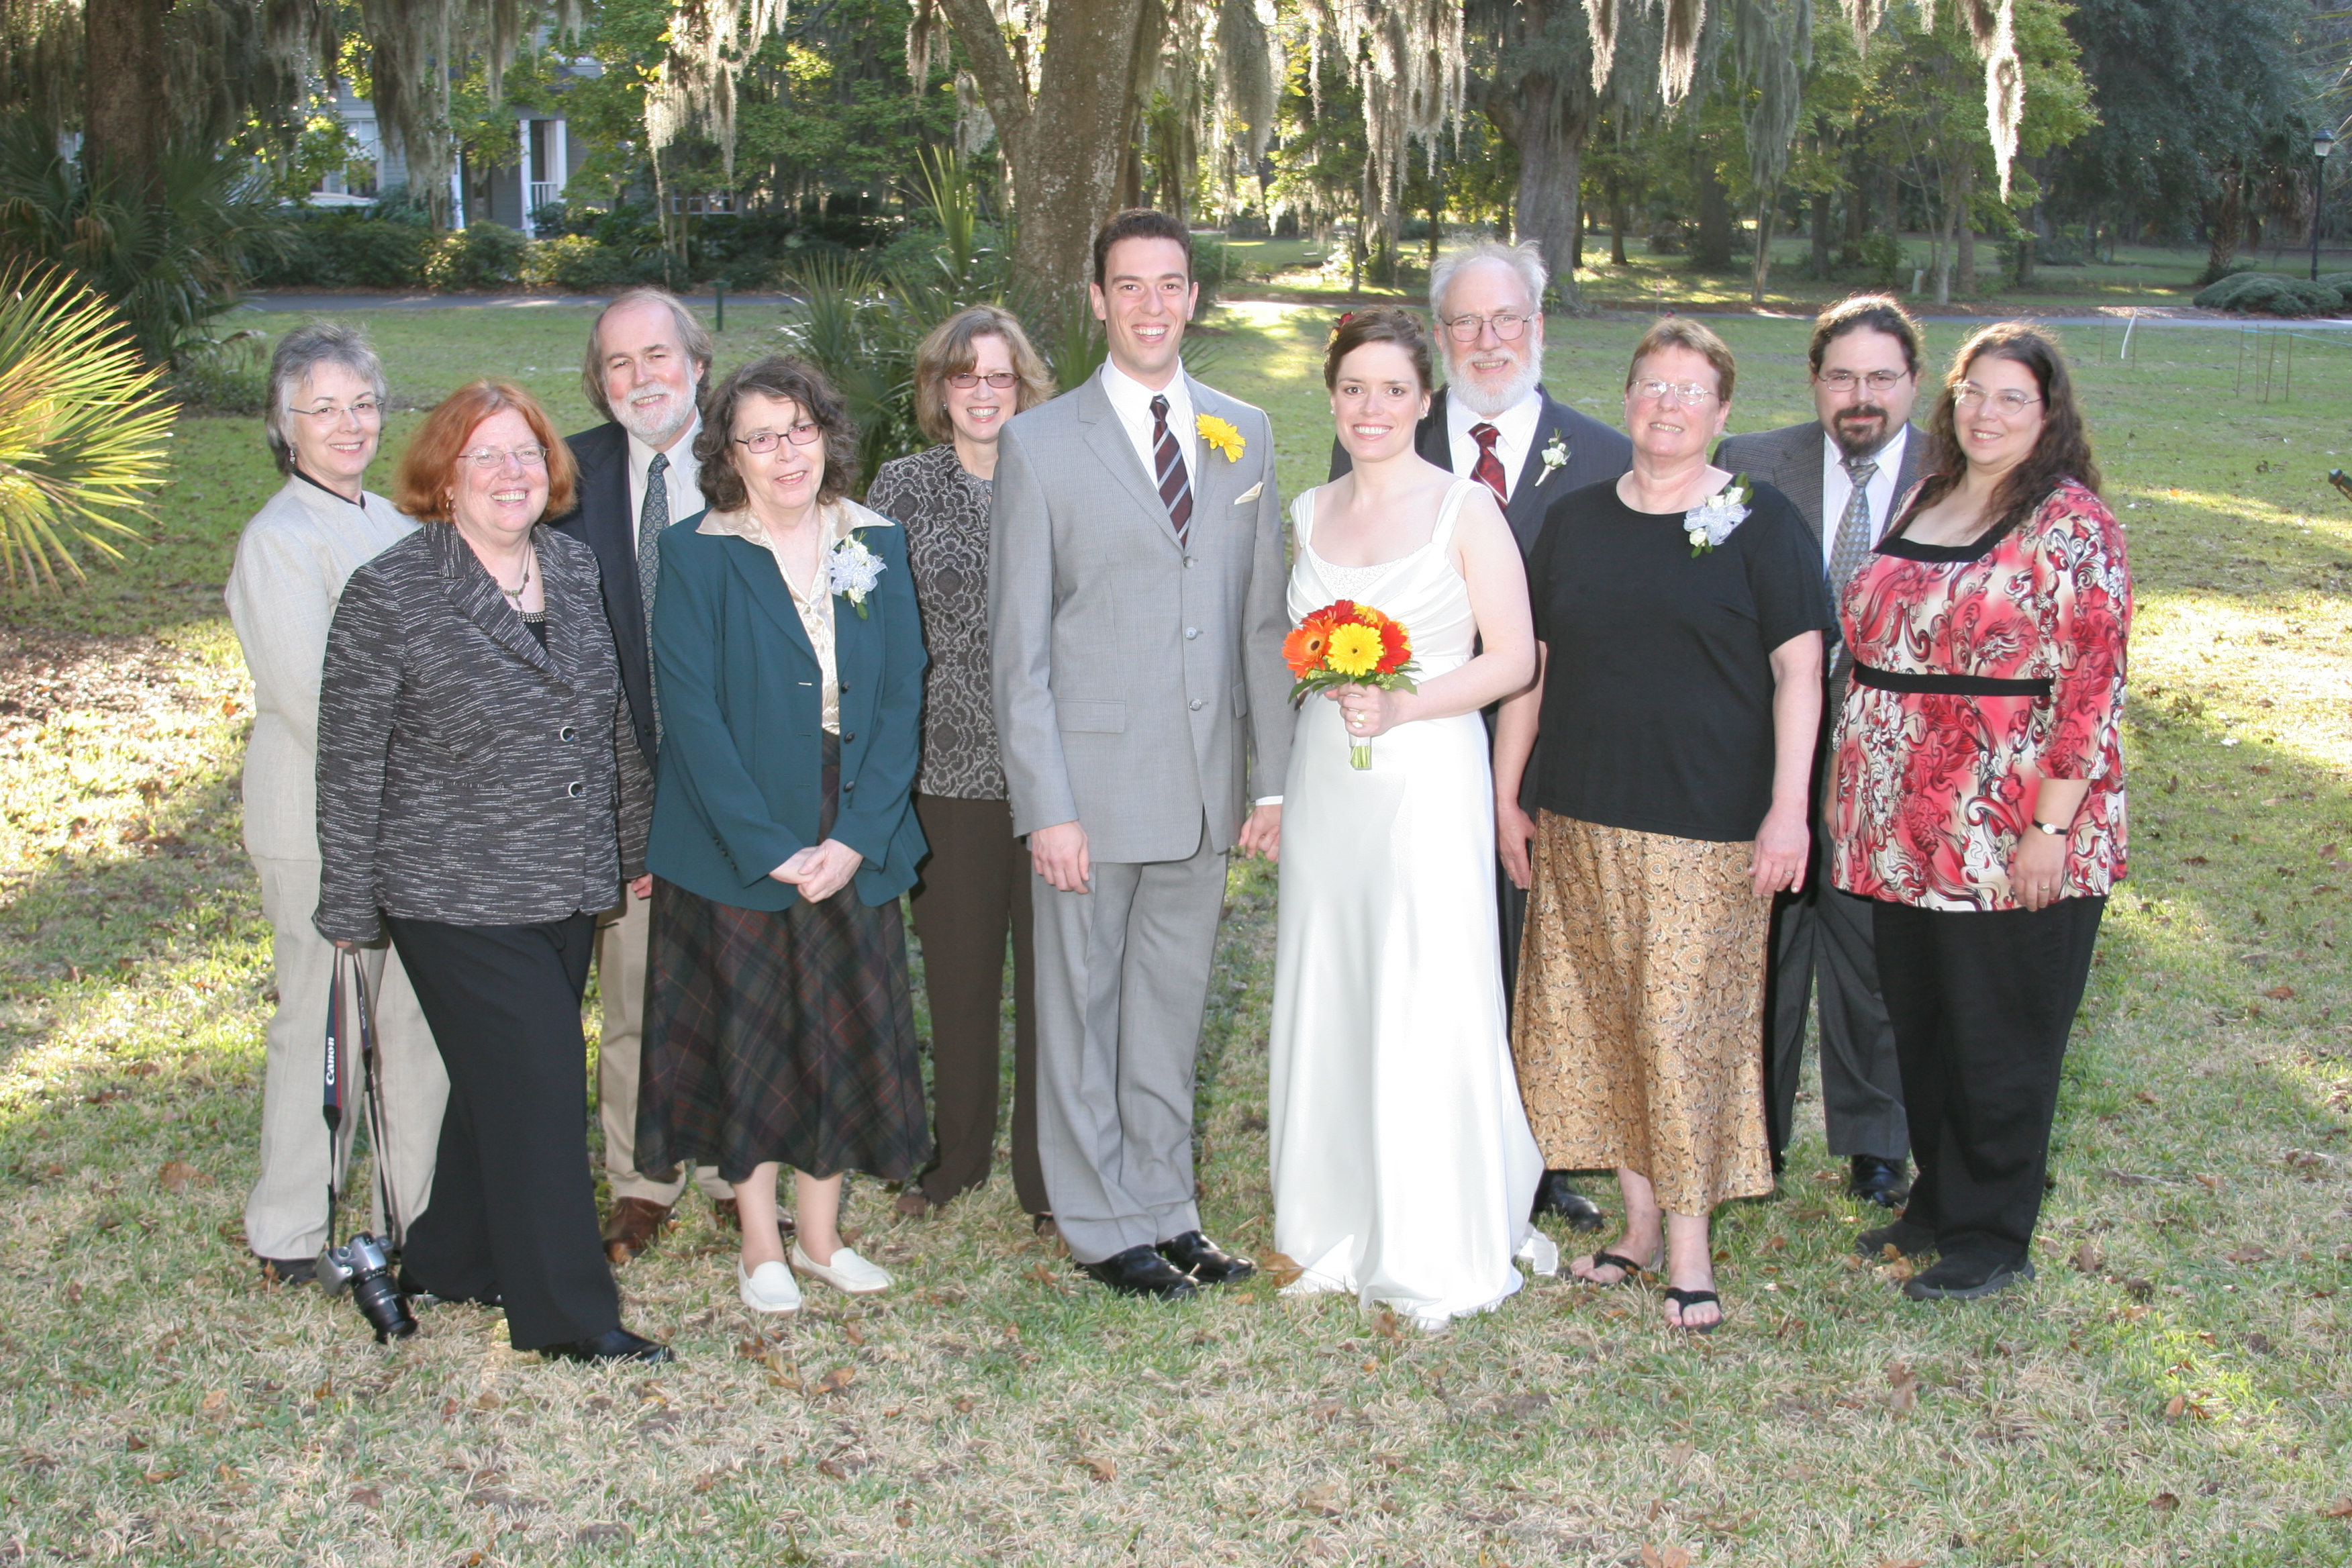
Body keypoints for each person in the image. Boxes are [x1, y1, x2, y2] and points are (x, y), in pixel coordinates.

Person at [314, 380, 668, 1363]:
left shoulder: (571, 564)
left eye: (527, 453)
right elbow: (350, 758)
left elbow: (609, 717)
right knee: (543, 1084)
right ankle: (568, 1318)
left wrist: (634, 842)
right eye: (487, 456)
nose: (512, 474)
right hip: (452, 892)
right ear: (445, 478)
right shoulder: (391, 591)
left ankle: (453, 1259)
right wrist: (346, 900)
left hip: (567, 877)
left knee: (498, 1088)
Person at [1497, 319, 1828, 1333]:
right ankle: (1639, 1229)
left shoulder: (1760, 520)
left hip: (1708, 827)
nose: (1668, 405)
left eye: (1690, 391)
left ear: (1723, 413)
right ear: (1628, 399)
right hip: (1582, 817)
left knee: (1683, 1034)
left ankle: (1691, 1251)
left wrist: (1788, 812)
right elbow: (1534, 669)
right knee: (1608, 1024)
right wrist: (1507, 793)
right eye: (1652, 385)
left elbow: (1800, 674)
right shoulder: (1576, 521)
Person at [989, 209, 1292, 1300]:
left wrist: (1270, 781)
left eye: (1170, 285)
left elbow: (1262, 620)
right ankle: (1099, 1223)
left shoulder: (1244, 432)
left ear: (1193, 297)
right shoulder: (1039, 443)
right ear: (1098, 300)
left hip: (1205, 788)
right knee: (1081, 1012)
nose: (1151, 306)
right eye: (1130, 286)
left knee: (1169, 1009)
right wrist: (1047, 807)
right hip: (1091, 791)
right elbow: (1019, 649)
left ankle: (1169, 1209)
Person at [1330, 238, 1632, 1234]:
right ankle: (1431, 1135)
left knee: (1546, 947)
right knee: (1435, 950)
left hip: (1565, 741)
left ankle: (1538, 1152)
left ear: (1539, 327)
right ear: (1440, 336)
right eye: (1467, 321)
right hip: (1415, 750)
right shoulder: (1383, 433)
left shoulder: (1600, 454)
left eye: (1508, 319)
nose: (1490, 340)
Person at [1830, 322, 2129, 1302]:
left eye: (2013, 398)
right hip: (1902, 824)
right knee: (1924, 1023)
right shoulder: (1930, 494)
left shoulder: (2072, 523)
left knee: (2000, 1035)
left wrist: (2050, 830)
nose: (1987, 413)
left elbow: (2091, 691)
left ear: (2048, 415)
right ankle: (1938, 1204)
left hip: (2006, 825)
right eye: (1975, 392)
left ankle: (1993, 1234)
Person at [1269, 307, 1549, 1329]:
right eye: (1353, 389)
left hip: (1428, 772)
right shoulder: (1306, 511)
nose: (1371, 408)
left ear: (1425, 400)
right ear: (1332, 399)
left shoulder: (1466, 511)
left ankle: (1433, 1228)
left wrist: (1403, 705)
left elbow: (1512, 659)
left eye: (1393, 389)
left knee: (1422, 979)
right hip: (1328, 781)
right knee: (1334, 973)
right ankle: (1330, 1213)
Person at [636, 356, 930, 1316]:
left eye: (800, 429)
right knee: (750, 1037)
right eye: (760, 437)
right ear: (730, 455)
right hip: (736, 831)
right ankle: (759, 1244)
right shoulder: (694, 552)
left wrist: (857, 836)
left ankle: (820, 1238)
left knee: (837, 1028)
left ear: (826, 434)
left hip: (850, 819)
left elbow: (902, 696)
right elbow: (690, 714)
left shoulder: (874, 538)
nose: (786, 452)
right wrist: (766, 846)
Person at [226, 323, 447, 1284]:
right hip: (318, 824)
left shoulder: (396, 524)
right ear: (285, 425)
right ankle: (289, 1228)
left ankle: (418, 1214)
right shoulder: (279, 541)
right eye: (322, 408)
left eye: (362, 403)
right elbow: (320, 704)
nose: (348, 423)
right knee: (322, 1026)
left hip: (410, 820)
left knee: (412, 1025)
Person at [1716, 294, 1924, 1210]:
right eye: (1841, 376)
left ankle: (1878, 1143)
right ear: (1814, 380)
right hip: (1766, 739)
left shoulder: (1956, 472)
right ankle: (1751, 1132)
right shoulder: (1752, 463)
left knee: (1872, 953)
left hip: (1897, 758)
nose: (1861, 396)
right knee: (1764, 940)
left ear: (1915, 382)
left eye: (1881, 377)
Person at [545, 287, 736, 1265]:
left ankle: (740, 1174)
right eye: (618, 363)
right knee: (632, 997)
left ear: (696, 363)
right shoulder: (561, 478)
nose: (640, 377)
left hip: (741, 788)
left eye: (657, 355)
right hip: (619, 789)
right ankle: (639, 1180)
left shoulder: (752, 459)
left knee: (740, 989)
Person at [865, 305, 1056, 1229]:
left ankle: (1049, 1176)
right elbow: (871, 630)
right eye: (964, 376)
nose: (984, 392)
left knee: (1057, 988)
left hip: (1057, 774)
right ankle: (958, 1157)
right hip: (945, 774)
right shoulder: (901, 488)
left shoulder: (1062, 475)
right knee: (960, 979)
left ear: (1025, 386)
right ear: (939, 390)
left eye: (1000, 376)